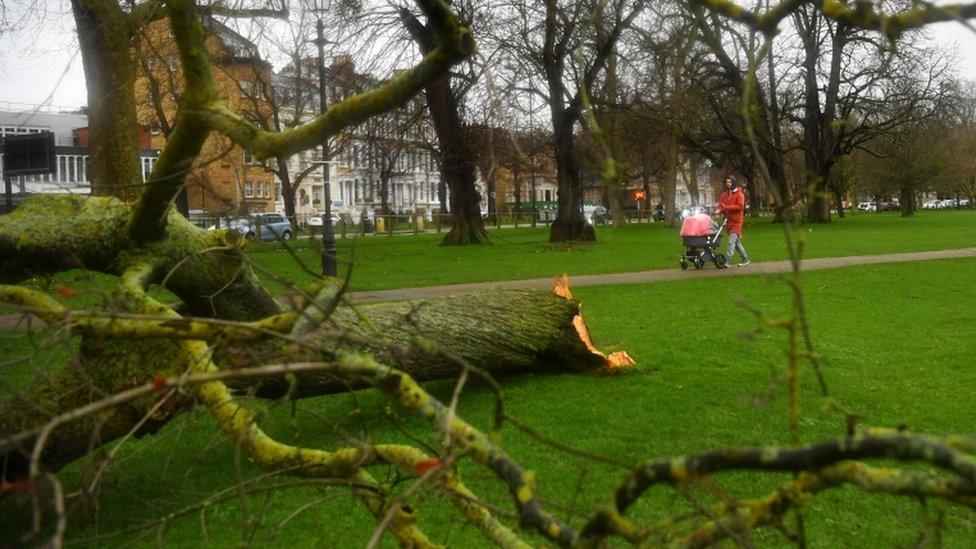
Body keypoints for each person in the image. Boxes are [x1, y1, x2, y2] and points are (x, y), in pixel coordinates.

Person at [716, 176, 750, 267]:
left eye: (729, 182)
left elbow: (740, 207)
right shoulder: (724, 195)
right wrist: (719, 210)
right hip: (728, 221)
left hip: (737, 221)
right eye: (727, 182)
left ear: (734, 183)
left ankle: (726, 261)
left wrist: (727, 207)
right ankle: (745, 259)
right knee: (736, 243)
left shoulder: (740, 195)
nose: (728, 184)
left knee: (731, 242)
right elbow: (720, 205)